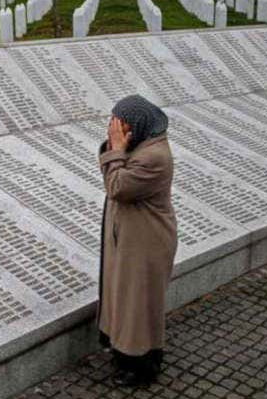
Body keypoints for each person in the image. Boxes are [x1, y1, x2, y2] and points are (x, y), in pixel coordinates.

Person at [95, 94, 178, 387]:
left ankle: (141, 367)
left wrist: (117, 149)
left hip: (146, 242)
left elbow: (117, 187)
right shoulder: (142, 145)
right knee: (126, 300)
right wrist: (116, 148)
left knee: (138, 306)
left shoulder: (153, 157)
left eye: (120, 125)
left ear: (139, 125)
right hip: (132, 239)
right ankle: (126, 355)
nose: (114, 130)